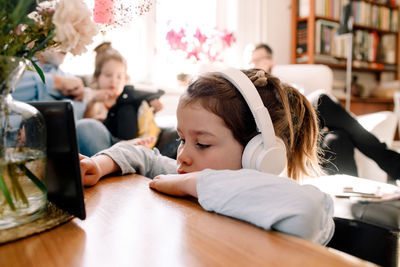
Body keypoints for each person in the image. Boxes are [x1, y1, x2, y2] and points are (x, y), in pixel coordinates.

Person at [80, 68, 334, 245]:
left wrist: (194, 183)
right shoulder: (190, 174)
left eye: (201, 144)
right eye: (182, 139)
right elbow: (143, 157)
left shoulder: (280, 204)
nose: (182, 156)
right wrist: (98, 164)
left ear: (259, 155)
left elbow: (308, 210)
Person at [250, 43, 400, 181]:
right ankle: (390, 161)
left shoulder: (290, 83)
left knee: (338, 139)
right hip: (287, 132)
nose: (257, 63)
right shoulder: (252, 88)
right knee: (321, 99)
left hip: (311, 130)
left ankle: (355, 201)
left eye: (262, 59)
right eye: (253, 60)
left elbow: (315, 111)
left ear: (272, 61)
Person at [76, 44, 167, 157]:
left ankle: (126, 149)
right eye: (108, 75)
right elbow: (85, 129)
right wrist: (94, 102)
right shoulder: (93, 98)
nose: (113, 81)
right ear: (97, 77)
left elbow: (143, 125)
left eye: (119, 77)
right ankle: (121, 150)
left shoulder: (128, 103)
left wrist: (154, 110)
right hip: (103, 144)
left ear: (125, 79)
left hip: (128, 140)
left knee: (126, 109)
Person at [13, 50, 86, 121]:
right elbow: (7, 90)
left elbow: (77, 110)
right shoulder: (16, 61)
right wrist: (56, 82)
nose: (70, 46)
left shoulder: (71, 78)